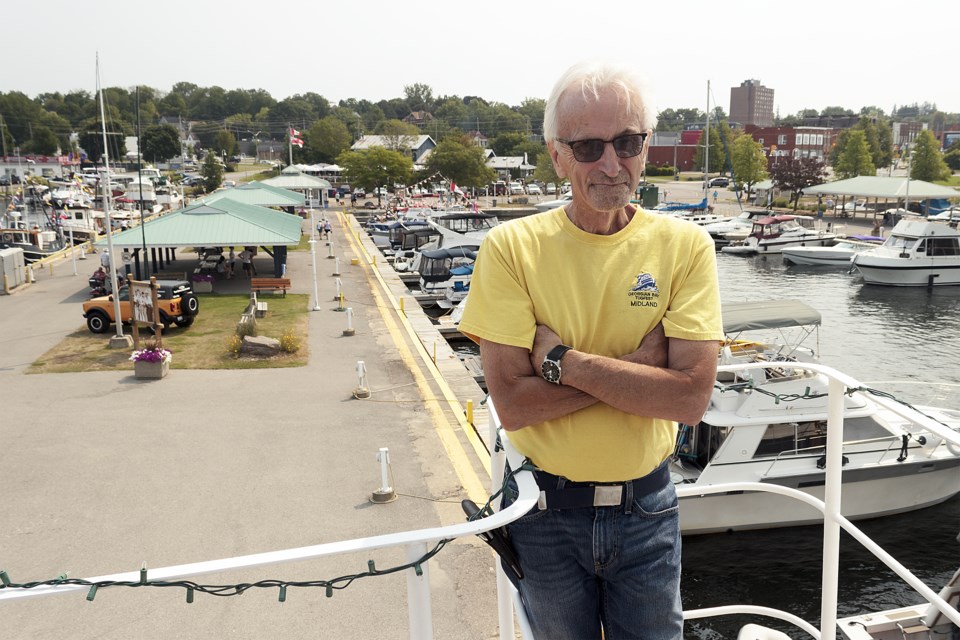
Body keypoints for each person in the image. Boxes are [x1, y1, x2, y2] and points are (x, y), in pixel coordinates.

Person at [458, 61, 723, 640]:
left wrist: (561, 363)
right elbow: (514, 405)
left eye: (627, 141)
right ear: (556, 155)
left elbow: (689, 400)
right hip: (546, 513)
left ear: (646, 147)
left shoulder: (686, 247)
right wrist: (637, 371)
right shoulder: (510, 249)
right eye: (588, 147)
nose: (611, 163)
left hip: (648, 508)